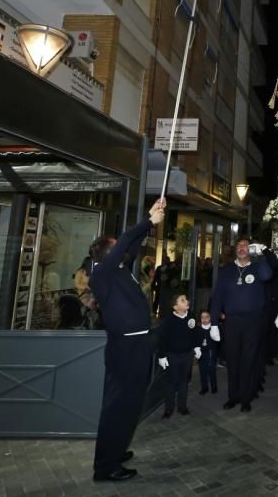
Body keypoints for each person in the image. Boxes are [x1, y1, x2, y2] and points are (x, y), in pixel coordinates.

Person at [88, 198, 165, 483]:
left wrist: (152, 216)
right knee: (117, 406)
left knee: (131, 404)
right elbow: (126, 239)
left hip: (138, 345)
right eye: (115, 246)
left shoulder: (119, 269)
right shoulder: (103, 274)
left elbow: (131, 245)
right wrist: (147, 221)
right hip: (125, 348)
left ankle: (116, 450)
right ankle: (105, 467)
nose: (124, 250)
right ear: (109, 253)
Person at [209, 237, 273, 413]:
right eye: (239, 246)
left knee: (248, 361)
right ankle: (233, 397)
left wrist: (260, 255)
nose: (241, 248)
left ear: (250, 249)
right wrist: (214, 323)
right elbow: (217, 297)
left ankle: (246, 398)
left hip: (253, 322)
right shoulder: (227, 270)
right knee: (233, 360)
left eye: (245, 246)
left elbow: (268, 275)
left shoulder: (257, 267)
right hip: (231, 322)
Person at [157, 294, 201, 417]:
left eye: (186, 299)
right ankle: (168, 409)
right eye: (182, 300)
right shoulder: (169, 320)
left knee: (183, 381)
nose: (187, 301)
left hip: (187, 355)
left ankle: (182, 407)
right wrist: (162, 356)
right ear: (175, 307)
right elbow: (163, 339)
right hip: (173, 355)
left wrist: (197, 347)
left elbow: (195, 333)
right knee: (171, 382)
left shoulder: (191, 316)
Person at [197, 310, 218, 395]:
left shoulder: (213, 328)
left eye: (207, 317)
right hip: (201, 352)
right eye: (202, 317)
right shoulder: (198, 329)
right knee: (202, 371)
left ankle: (214, 386)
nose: (204, 319)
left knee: (211, 370)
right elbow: (196, 341)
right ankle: (204, 387)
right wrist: (196, 349)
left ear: (210, 318)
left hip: (211, 352)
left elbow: (217, 340)